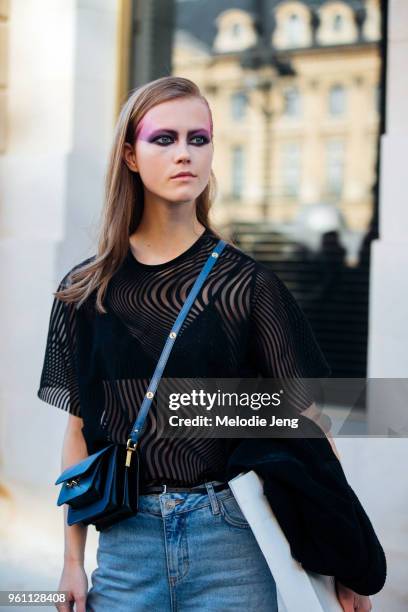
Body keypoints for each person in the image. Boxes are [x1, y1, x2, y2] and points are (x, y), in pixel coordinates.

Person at [37, 76, 372, 612]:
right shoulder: (87, 290)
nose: (185, 153)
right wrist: (73, 562)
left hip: (231, 544)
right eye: (163, 139)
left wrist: (341, 561)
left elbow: (310, 431)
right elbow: (78, 434)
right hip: (126, 547)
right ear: (129, 154)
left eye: (199, 138)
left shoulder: (248, 286)